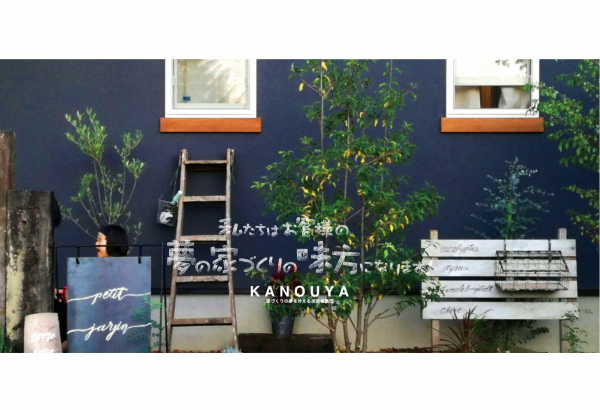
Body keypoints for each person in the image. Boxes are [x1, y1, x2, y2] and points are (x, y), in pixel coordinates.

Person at [56, 224, 129, 352]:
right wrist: (63, 293)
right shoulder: (98, 267)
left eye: (100, 240)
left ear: (113, 243)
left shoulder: (122, 270)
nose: (96, 244)